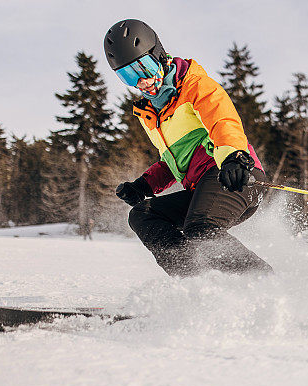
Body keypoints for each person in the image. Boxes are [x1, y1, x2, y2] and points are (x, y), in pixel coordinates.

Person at [104, 19, 272, 276]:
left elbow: (223, 122)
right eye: (128, 75)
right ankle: (194, 284)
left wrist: (234, 157)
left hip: (234, 176)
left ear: (158, 55)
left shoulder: (194, 86)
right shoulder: (154, 114)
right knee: (143, 216)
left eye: (144, 67)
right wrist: (144, 185)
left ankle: (266, 284)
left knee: (201, 230)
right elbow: (174, 160)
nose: (142, 81)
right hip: (201, 190)